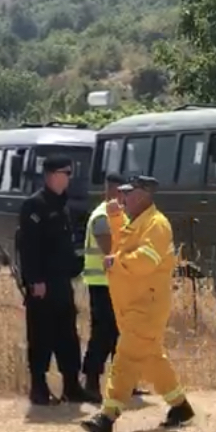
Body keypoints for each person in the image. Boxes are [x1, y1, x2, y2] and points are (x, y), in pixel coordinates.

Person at [81, 175, 194, 432]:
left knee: (126, 357)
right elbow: (122, 243)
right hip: (131, 305)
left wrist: (116, 262)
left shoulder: (157, 225)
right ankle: (180, 406)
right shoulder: (135, 222)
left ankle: (108, 415)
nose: (122, 197)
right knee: (151, 359)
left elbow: (145, 260)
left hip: (147, 306)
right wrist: (115, 218)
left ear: (142, 196)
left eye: (127, 193)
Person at [17, 156, 89, 406]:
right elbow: (28, 247)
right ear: (52, 175)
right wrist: (34, 279)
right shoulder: (34, 206)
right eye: (66, 172)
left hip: (61, 283)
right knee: (41, 336)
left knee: (67, 336)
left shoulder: (62, 206)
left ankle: (71, 385)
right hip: (43, 285)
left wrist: (76, 266)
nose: (69, 177)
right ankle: (39, 387)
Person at [80, 172, 125, 403]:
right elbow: (111, 250)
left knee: (120, 334)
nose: (122, 196)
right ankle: (91, 381)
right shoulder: (102, 217)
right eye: (119, 191)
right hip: (101, 284)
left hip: (118, 284)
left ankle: (123, 382)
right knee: (103, 334)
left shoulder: (120, 216)